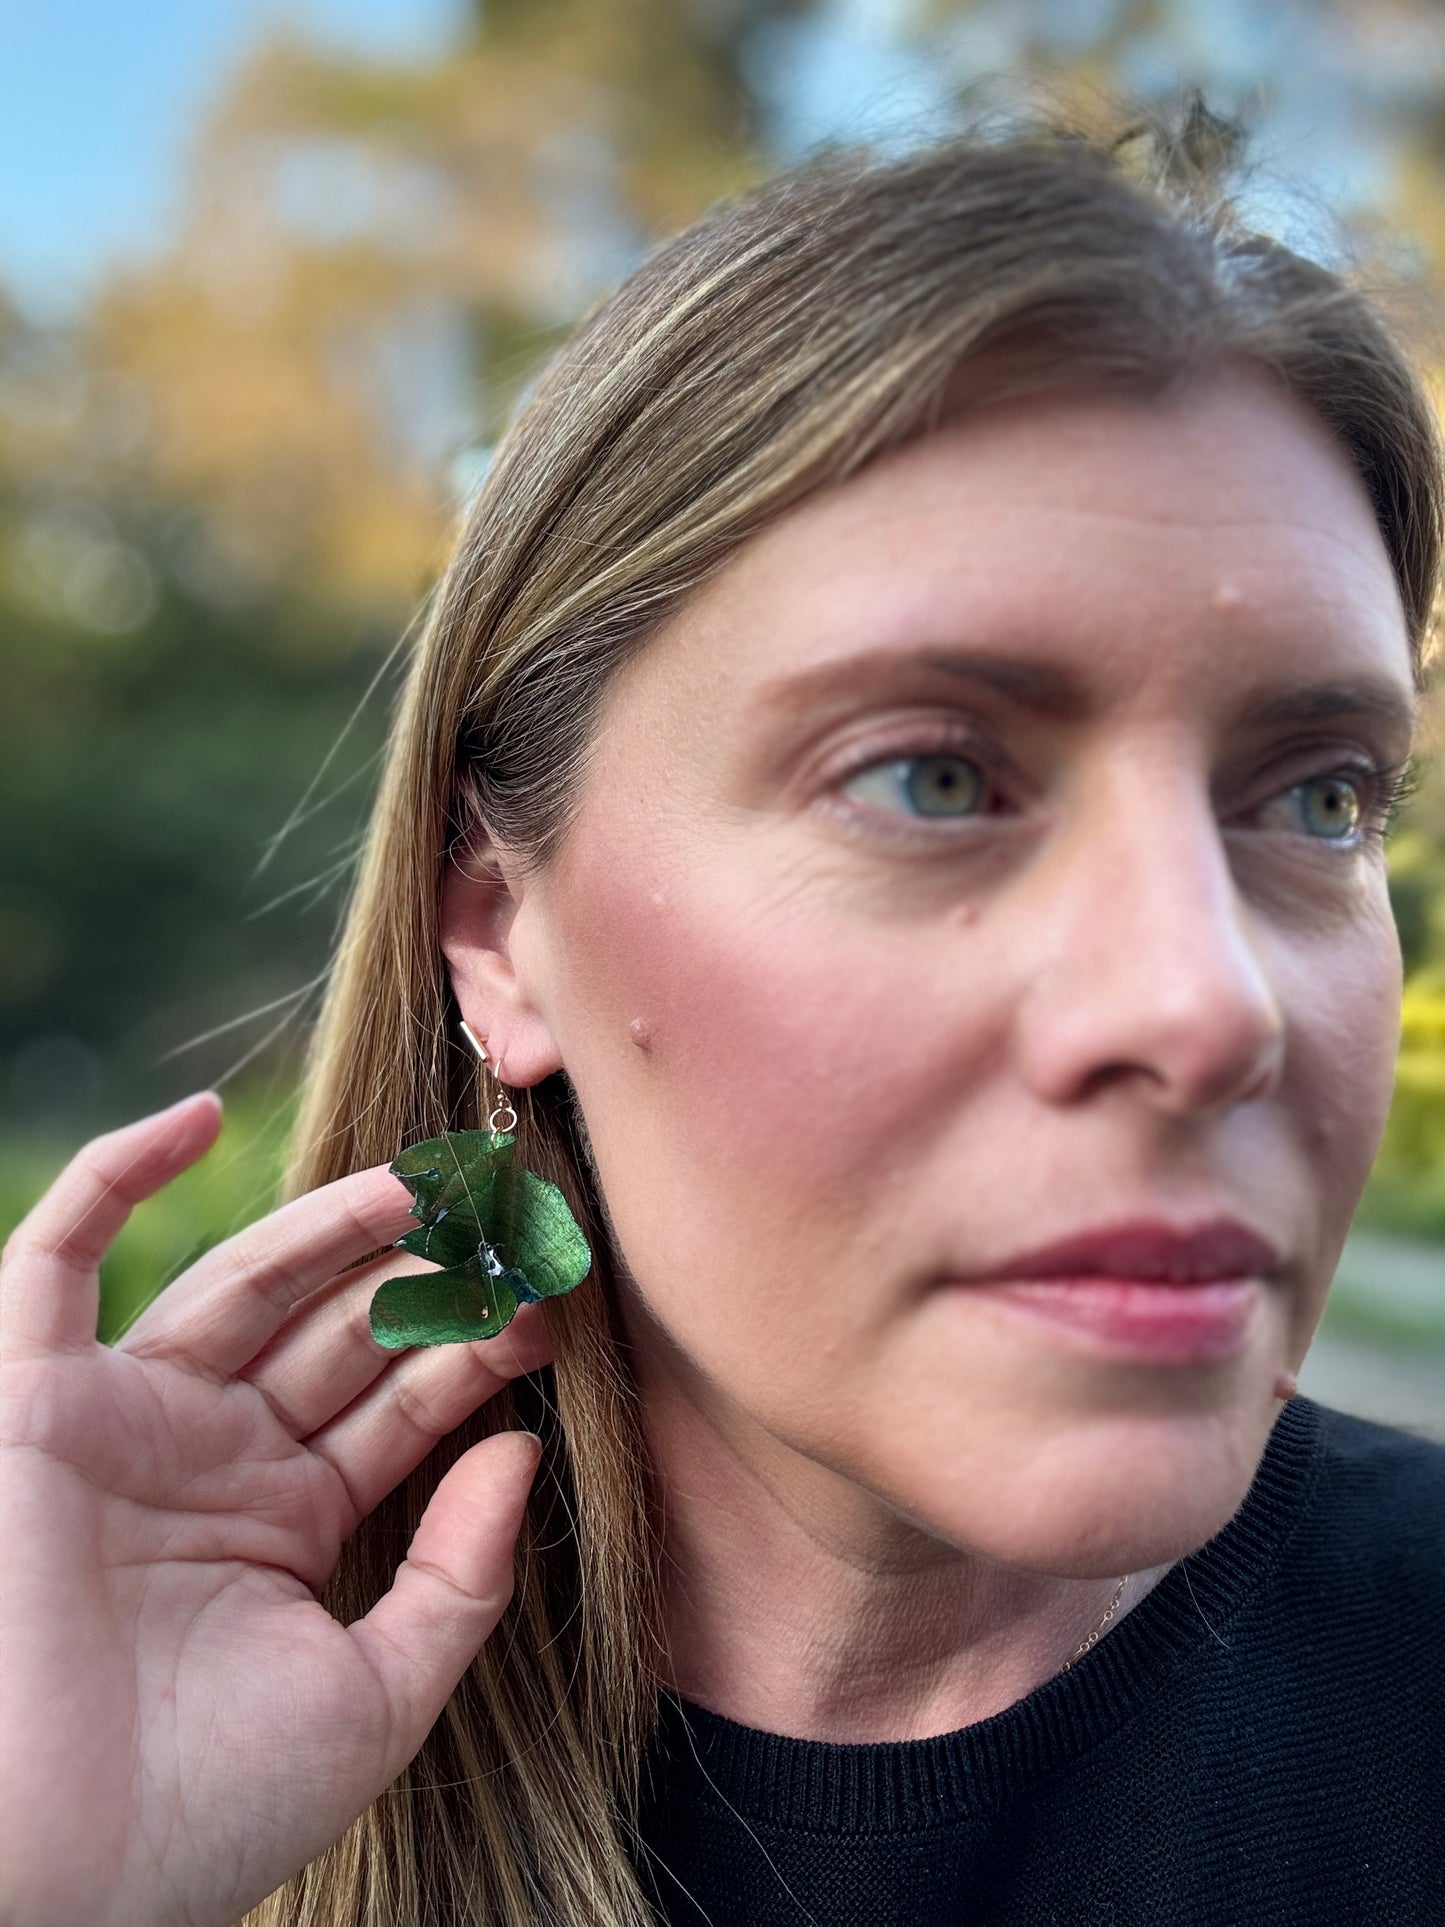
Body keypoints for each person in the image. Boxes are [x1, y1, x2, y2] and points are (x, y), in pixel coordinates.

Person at [4, 116, 1445, 1927]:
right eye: (929, 778)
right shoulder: (180, 1755)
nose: (1208, 1006)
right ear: (499, 930)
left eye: (1319, 798)